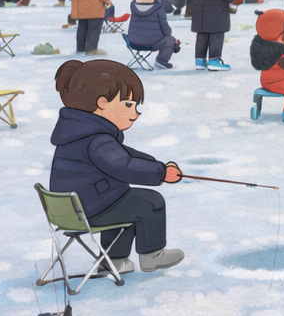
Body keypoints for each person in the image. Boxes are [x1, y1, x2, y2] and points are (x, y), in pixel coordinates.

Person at [48, 58, 185, 274]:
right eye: (128, 104)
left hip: (71, 210)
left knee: (124, 202)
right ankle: (152, 255)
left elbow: (125, 154)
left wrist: (155, 164)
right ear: (102, 103)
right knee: (150, 202)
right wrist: (160, 173)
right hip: (90, 209)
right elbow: (124, 165)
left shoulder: (79, 132)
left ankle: (114, 261)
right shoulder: (98, 139)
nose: (135, 113)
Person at [129, 0, 180, 68]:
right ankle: (161, 60)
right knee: (170, 40)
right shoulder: (159, 7)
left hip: (133, 42)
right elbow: (166, 30)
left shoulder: (133, 5)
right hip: (151, 43)